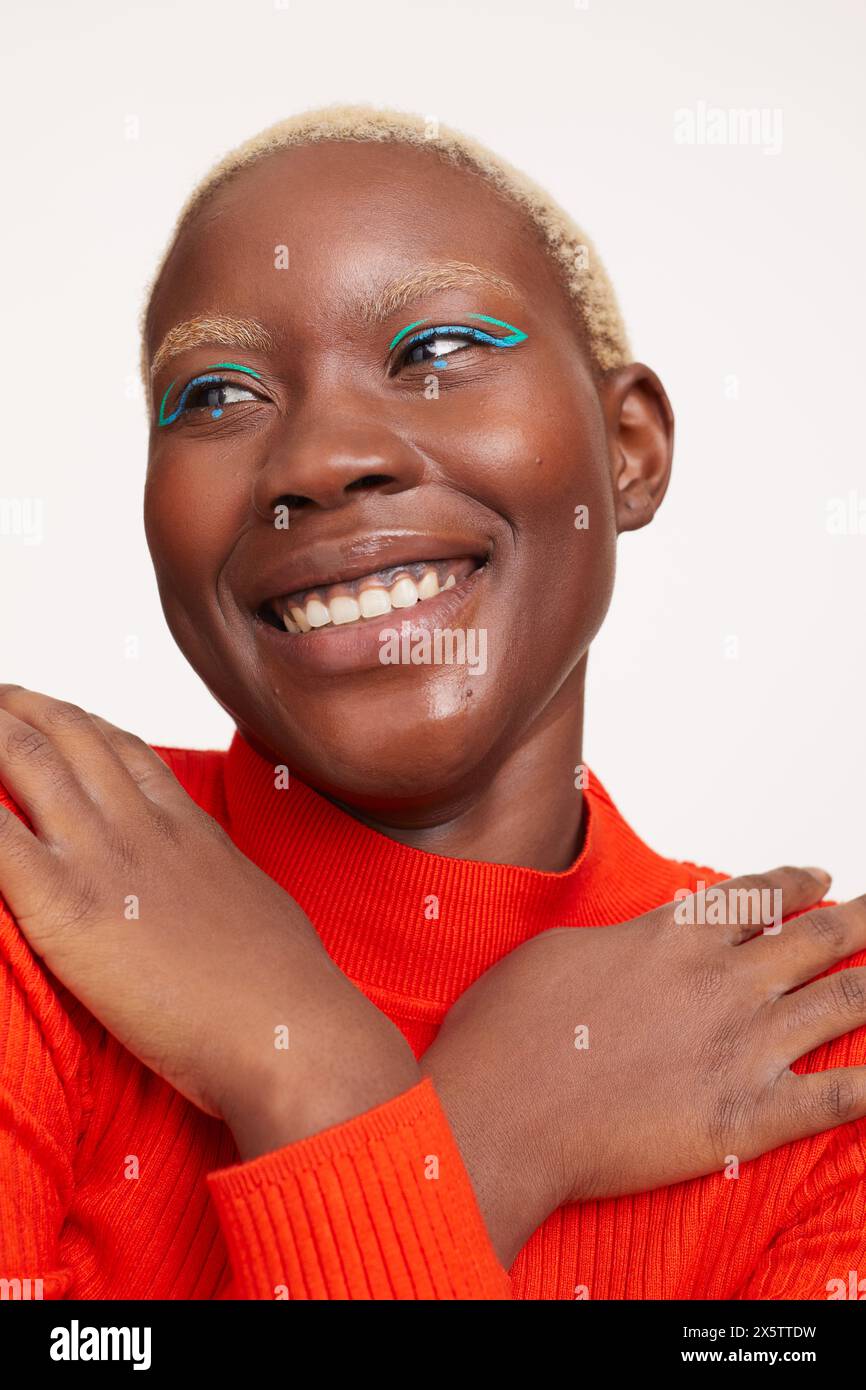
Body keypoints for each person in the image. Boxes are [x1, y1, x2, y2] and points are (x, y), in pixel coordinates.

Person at [1, 106, 864, 1301]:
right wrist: (466, 1122)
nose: (318, 459)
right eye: (213, 394)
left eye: (437, 348)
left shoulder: (803, 1052)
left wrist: (333, 1099)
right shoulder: (36, 869)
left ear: (628, 450)